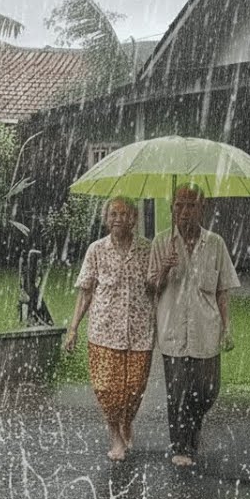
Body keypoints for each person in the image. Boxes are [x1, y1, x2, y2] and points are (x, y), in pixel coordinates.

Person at [148, 183, 240, 467]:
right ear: (172, 209)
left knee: (208, 391)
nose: (184, 211)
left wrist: (227, 327)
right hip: (173, 329)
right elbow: (150, 287)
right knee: (177, 392)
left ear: (203, 208)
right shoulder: (161, 243)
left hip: (206, 329)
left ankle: (194, 423)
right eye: (179, 205)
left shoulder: (216, 244)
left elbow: (223, 289)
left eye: (191, 205)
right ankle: (181, 446)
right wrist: (164, 269)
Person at [63, 197, 155, 461]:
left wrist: (165, 269)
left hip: (139, 332)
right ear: (106, 219)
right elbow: (86, 292)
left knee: (134, 387)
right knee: (106, 388)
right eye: (113, 214)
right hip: (103, 331)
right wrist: (73, 328)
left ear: (134, 219)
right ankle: (115, 433)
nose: (117, 218)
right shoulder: (96, 250)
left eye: (123, 214)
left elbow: (154, 288)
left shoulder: (146, 249)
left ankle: (127, 421)